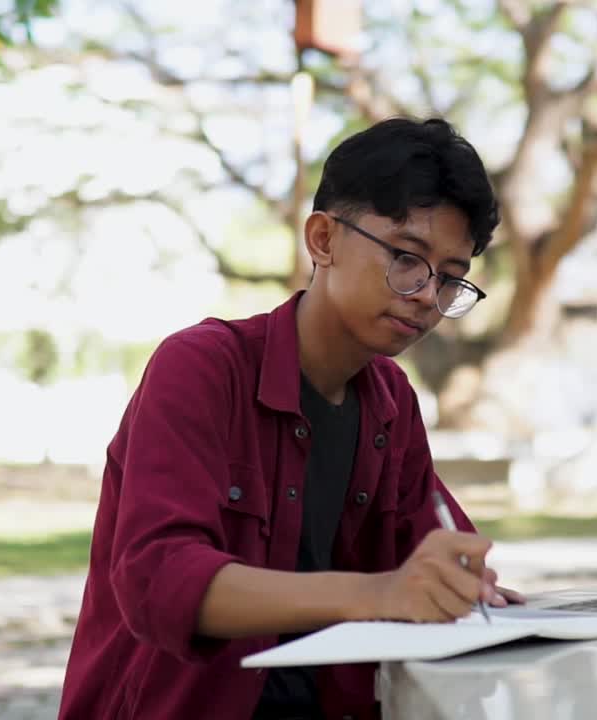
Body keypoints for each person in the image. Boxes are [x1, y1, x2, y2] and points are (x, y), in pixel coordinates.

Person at [59, 118, 524, 720]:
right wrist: (378, 594)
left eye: (451, 277)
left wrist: (466, 586)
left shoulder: (391, 402)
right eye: (408, 258)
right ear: (324, 239)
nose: (424, 295)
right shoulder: (202, 368)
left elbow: (436, 555)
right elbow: (158, 579)